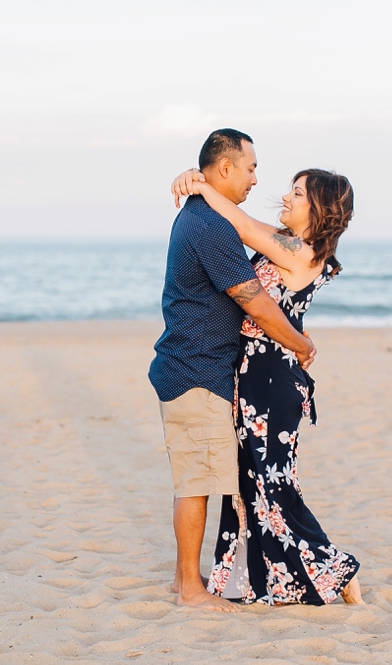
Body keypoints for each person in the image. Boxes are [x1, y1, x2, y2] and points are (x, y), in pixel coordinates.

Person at [170, 164, 364, 606]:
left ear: (320, 208)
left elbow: (238, 223)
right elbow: (236, 229)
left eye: (298, 193)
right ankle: (251, 579)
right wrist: (201, 182)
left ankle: (335, 570)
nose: (287, 198)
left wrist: (199, 185)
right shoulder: (290, 247)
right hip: (252, 379)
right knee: (250, 484)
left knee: (273, 484)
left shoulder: (300, 252)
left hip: (273, 383)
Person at [149, 129, 317, 612]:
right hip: (196, 372)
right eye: (250, 168)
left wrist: (196, 182)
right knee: (196, 482)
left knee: (198, 477)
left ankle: (187, 580)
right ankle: (190, 590)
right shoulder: (208, 227)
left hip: (199, 369)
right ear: (225, 168)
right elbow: (255, 301)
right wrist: (301, 344)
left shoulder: (206, 216)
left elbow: (251, 229)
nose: (255, 178)